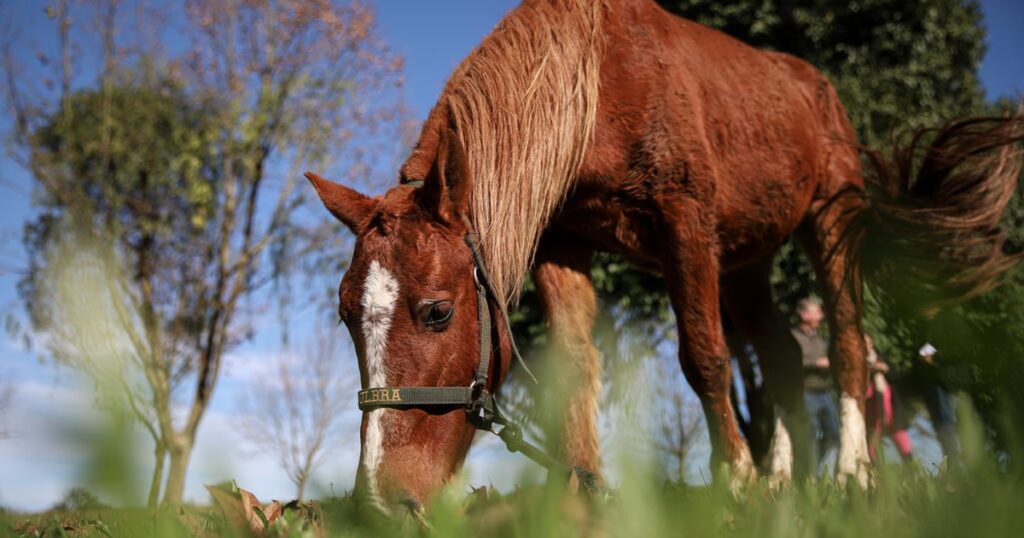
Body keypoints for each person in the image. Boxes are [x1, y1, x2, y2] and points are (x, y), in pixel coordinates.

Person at [791, 297, 839, 476]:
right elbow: (791, 362)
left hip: (826, 392)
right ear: (804, 314)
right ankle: (809, 477)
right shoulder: (793, 338)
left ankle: (822, 475)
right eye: (816, 311)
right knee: (810, 436)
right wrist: (815, 363)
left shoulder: (821, 339)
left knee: (834, 435)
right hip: (806, 392)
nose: (821, 315)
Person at [864, 334, 913, 462]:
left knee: (901, 437)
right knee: (873, 440)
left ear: (872, 343)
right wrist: (869, 370)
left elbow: (897, 376)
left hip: (891, 406)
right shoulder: (858, 362)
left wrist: (886, 368)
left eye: (868, 342)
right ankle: (877, 474)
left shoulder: (883, 357)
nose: (866, 345)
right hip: (871, 407)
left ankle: (913, 473)